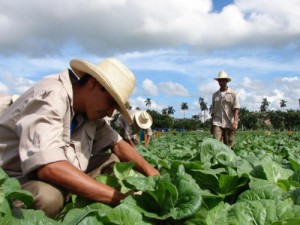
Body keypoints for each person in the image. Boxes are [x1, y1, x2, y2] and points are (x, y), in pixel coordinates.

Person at [0, 58, 159, 218]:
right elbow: (48, 167)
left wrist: (152, 173)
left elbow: (117, 144)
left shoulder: (88, 112)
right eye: (111, 102)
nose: (111, 113)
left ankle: (73, 196)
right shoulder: (52, 95)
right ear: (94, 84)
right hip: (17, 179)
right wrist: (120, 199)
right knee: (49, 198)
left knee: (112, 160)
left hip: (62, 176)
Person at [211, 71, 240, 148]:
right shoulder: (215, 95)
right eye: (220, 80)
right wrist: (212, 124)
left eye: (223, 80)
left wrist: (235, 122)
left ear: (226, 81)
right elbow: (213, 110)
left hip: (229, 123)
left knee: (229, 145)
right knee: (216, 145)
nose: (221, 82)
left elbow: (236, 108)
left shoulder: (232, 93)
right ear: (218, 81)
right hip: (217, 122)